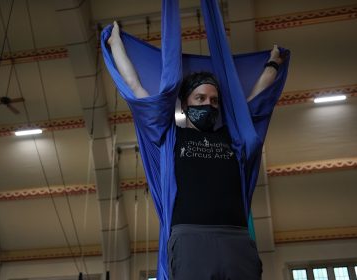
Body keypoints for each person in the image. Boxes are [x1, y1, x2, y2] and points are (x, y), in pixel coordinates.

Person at [106, 20, 285, 280]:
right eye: (200, 98)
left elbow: (258, 97)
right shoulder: (170, 137)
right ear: (186, 104)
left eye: (214, 100)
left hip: (235, 237)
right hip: (190, 239)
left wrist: (273, 63)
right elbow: (135, 87)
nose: (209, 105)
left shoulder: (233, 137)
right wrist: (116, 44)